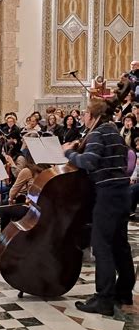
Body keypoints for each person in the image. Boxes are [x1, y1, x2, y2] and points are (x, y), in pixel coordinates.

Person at [63, 99, 135, 316]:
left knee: (101, 245)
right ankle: (124, 292)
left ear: (93, 116)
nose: (83, 116)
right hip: (123, 194)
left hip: (107, 195)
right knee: (120, 245)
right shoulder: (115, 133)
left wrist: (68, 153)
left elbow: (89, 162)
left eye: (85, 113)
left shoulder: (97, 134)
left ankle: (103, 299)